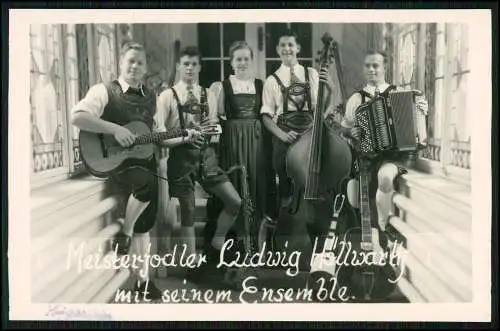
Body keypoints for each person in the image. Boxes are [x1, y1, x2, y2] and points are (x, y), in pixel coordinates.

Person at [71, 41, 189, 301]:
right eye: (130, 61)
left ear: (146, 67)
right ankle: (124, 235)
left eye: (140, 62)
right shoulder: (104, 91)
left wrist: (184, 136)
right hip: (114, 163)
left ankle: (143, 283)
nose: (135, 66)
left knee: (145, 224)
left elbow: (157, 135)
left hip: (143, 162)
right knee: (145, 185)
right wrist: (114, 129)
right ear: (120, 63)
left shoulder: (152, 97)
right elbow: (77, 116)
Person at [155, 46, 242, 270]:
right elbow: (160, 137)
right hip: (180, 158)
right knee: (188, 210)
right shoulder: (167, 96)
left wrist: (211, 132)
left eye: (194, 64)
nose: (190, 68)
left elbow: (213, 127)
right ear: (178, 66)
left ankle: (216, 241)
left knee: (235, 201)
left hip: (207, 156)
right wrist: (185, 138)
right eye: (186, 64)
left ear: (200, 67)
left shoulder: (209, 94)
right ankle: (192, 262)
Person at [322, 50, 429, 232]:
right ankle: (375, 230)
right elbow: (343, 128)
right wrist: (350, 132)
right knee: (358, 194)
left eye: (376, 65)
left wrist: (421, 111)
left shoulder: (399, 93)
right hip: (367, 157)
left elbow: (418, 129)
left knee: (385, 177)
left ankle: (382, 226)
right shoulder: (356, 99)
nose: (371, 69)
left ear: (384, 67)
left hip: (396, 156)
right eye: (367, 66)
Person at [205, 41, 270, 252]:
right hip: (233, 141)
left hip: (257, 142)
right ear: (232, 62)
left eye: (246, 59)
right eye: (238, 59)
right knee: (236, 183)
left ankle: (255, 241)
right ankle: (236, 242)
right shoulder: (222, 86)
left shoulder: (261, 85)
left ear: (251, 61)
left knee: (255, 183)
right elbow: (219, 116)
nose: (242, 63)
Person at [260, 30, 334, 208]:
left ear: (298, 48)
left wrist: (330, 90)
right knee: (286, 184)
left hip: (310, 134)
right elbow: (266, 117)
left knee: (316, 176)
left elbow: (320, 110)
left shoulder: (312, 74)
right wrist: (282, 135)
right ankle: (287, 221)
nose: (287, 49)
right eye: (283, 45)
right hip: (286, 136)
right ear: (277, 49)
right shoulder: (271, 80)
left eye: (291, 45)